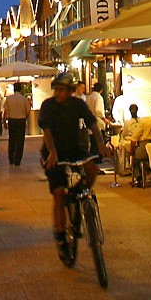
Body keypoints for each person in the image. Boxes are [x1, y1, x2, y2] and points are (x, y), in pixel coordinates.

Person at [39, 72, 108, 258]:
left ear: (70, 91)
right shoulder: (48, 106)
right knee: (59, 193)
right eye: (57, 90)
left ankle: (81, 196)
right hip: (53, 151)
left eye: (62, 90)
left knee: (92, 168)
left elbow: (92, 122)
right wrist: (52, 152)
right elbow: (46, 130)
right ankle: (61, 236)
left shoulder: (78, 104)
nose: (58, 93)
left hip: (75, 149)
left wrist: (101, 143)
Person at [4, 83, 30, 165]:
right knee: (20, 140)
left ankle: (11, 158)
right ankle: (17, 159)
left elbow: (6, 111)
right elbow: (28, 111)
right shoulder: (24, 99)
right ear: (21, 89)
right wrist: (25, 118)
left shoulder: (9, 99)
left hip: (12, 120)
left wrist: (4, 121)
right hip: (21, 120)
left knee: (12, 139)